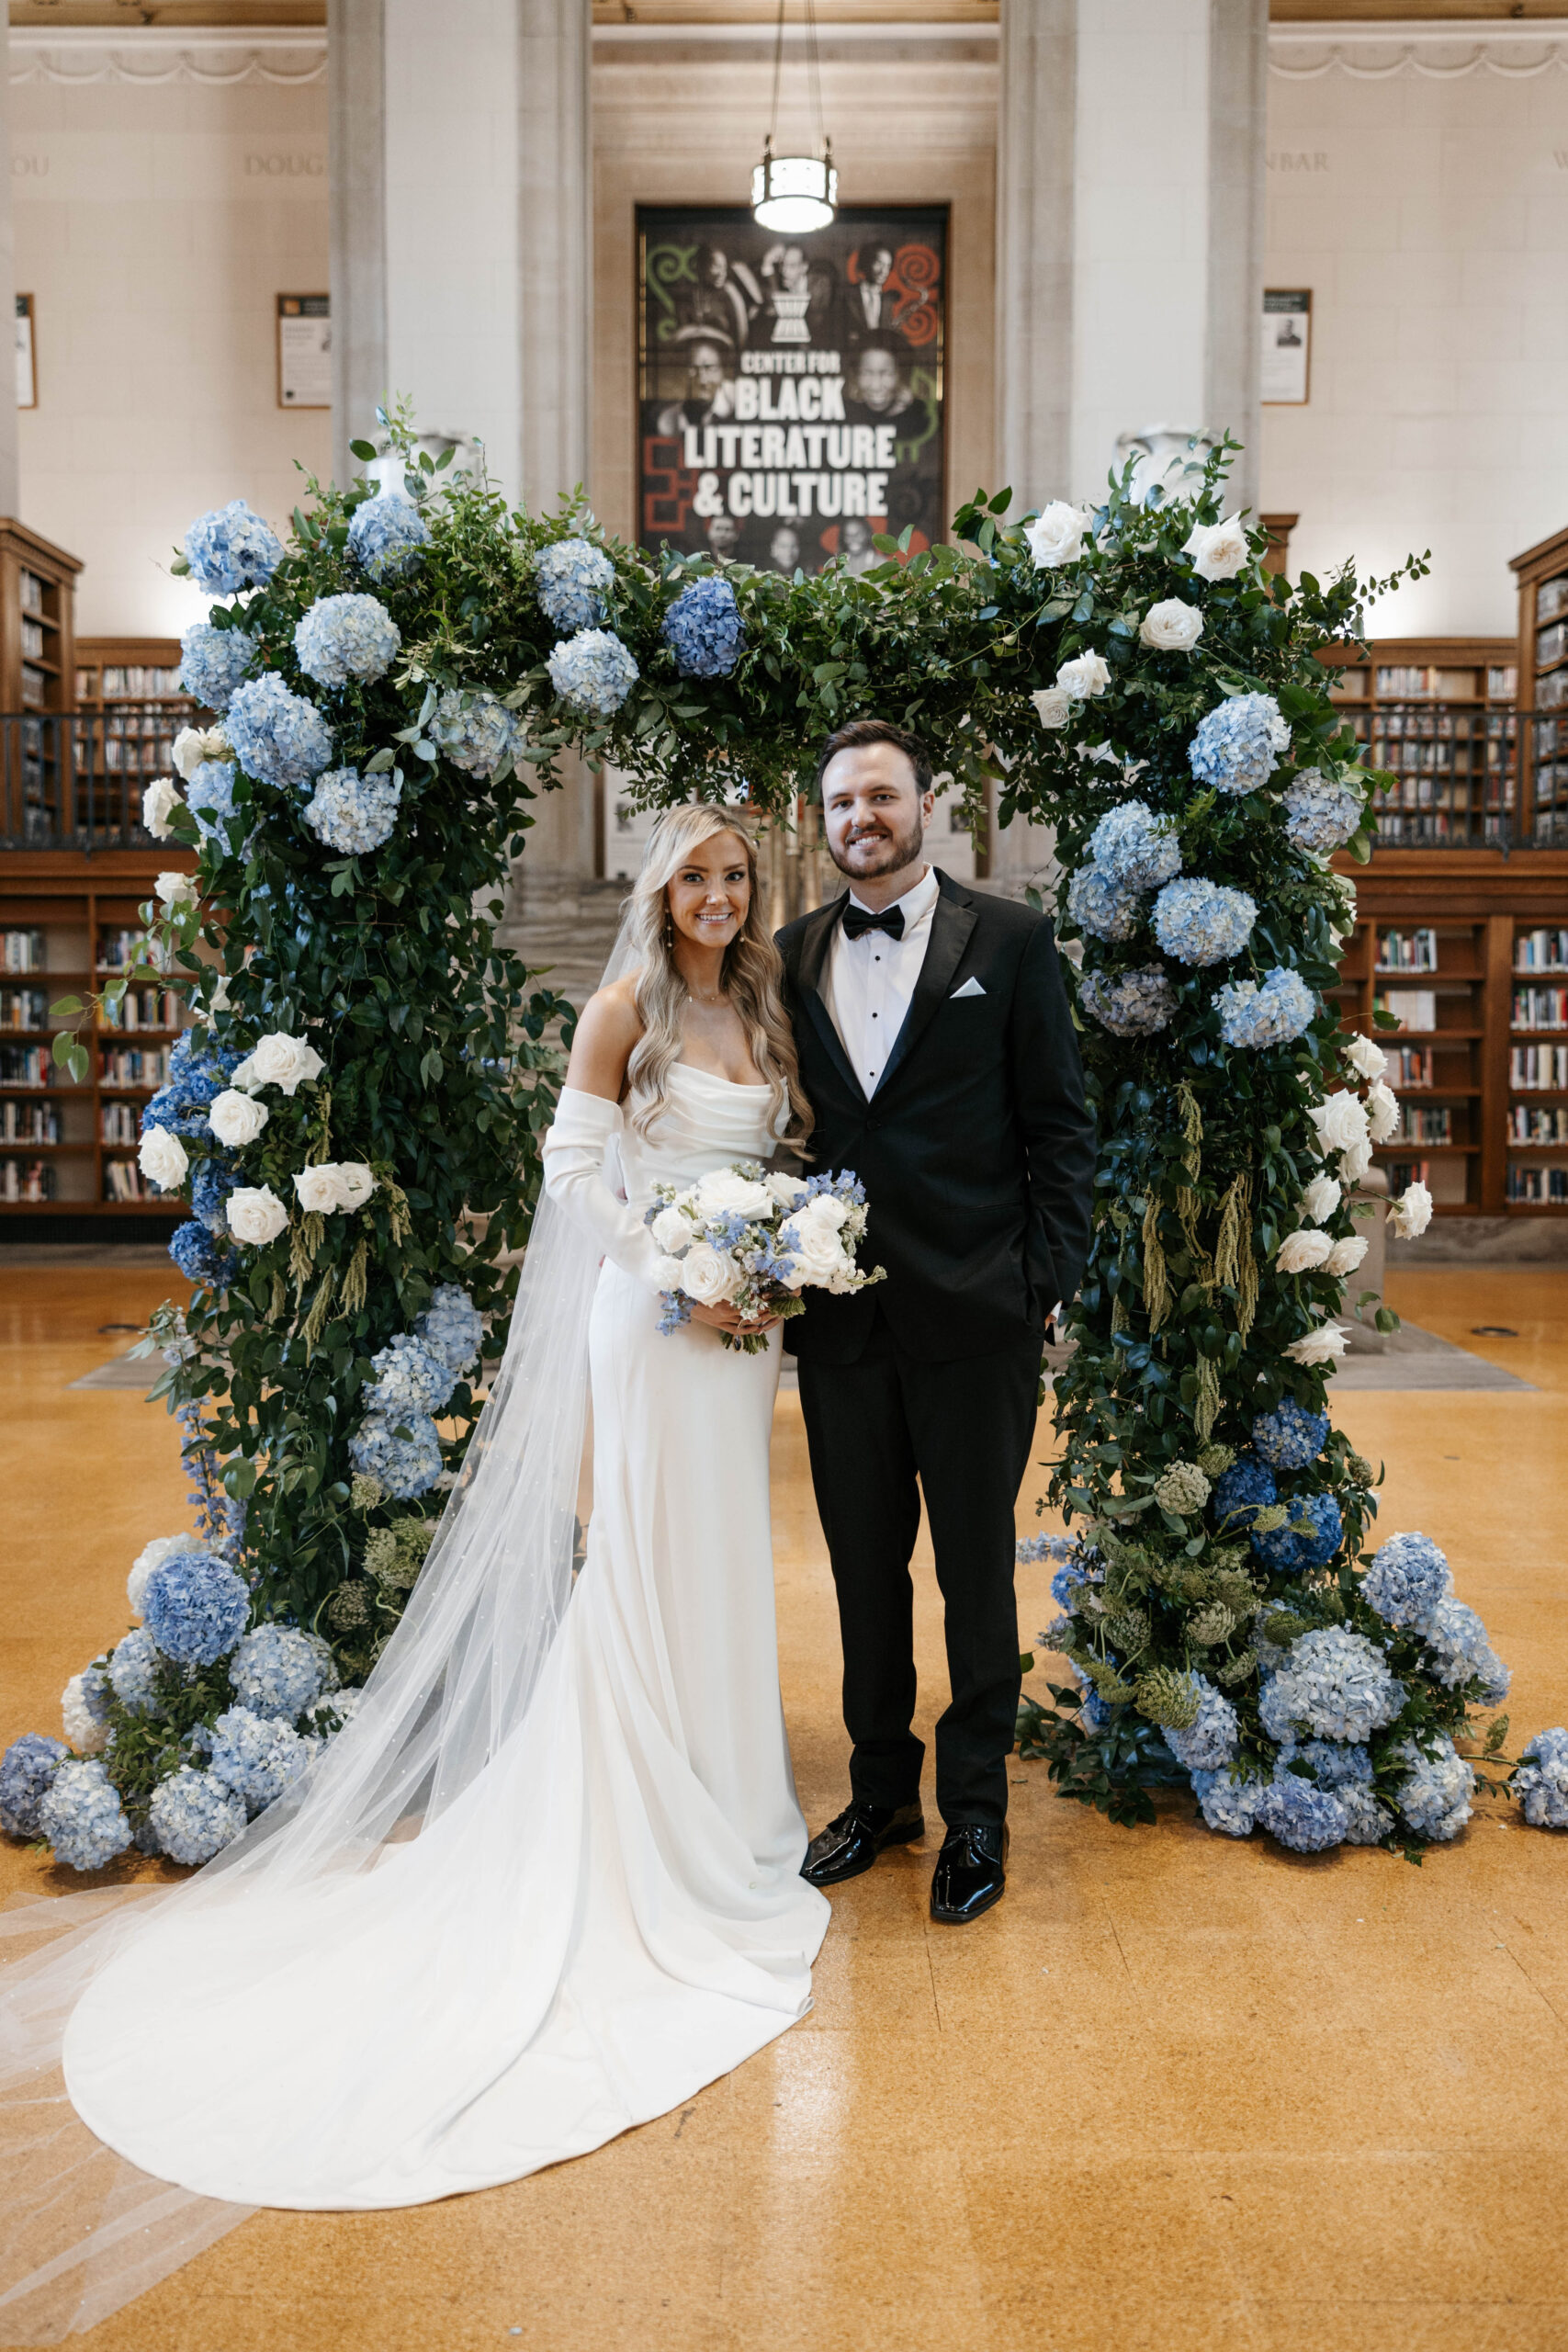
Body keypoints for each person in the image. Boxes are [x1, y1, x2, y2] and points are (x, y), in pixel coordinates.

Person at [6, 808, 827, 2270]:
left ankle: (727, 1794)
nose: (716, 895)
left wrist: (764, 1264)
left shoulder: (755, 999)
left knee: (722, 1561)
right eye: (694, 875)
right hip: (653, 1327)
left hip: (739, 1334)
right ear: (658, 886)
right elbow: (574, 1179)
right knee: (645, 1555)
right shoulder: (620, 1006)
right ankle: (653, 1814)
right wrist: (678, 1272)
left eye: (734, 876)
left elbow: (767, 1166)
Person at [776, 720, 1095, 1925]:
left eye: (879, 796)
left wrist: (1039, 1280)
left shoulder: (1007, 942)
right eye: (840, 802)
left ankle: (975, 1813)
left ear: (923, 804)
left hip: (978, 1319)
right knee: (862, 1576)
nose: (859, 816)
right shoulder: (789, 951)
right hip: (841, 1323)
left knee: (972, 1576)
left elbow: (1058, 1126)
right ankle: (877, 1795)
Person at [655, 327, 737, 435]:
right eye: (692, 369)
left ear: (723, 372)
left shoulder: (739, 400)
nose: (702, 380)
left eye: (709, 367)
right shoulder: (668, 422)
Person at [845, 338, 912, 424]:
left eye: (887, 374)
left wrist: (900, 410)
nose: (875, 386)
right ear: (856, 376)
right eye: (866, 373)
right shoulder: (841, 411)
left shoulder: (919, 415)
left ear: (900, 376)